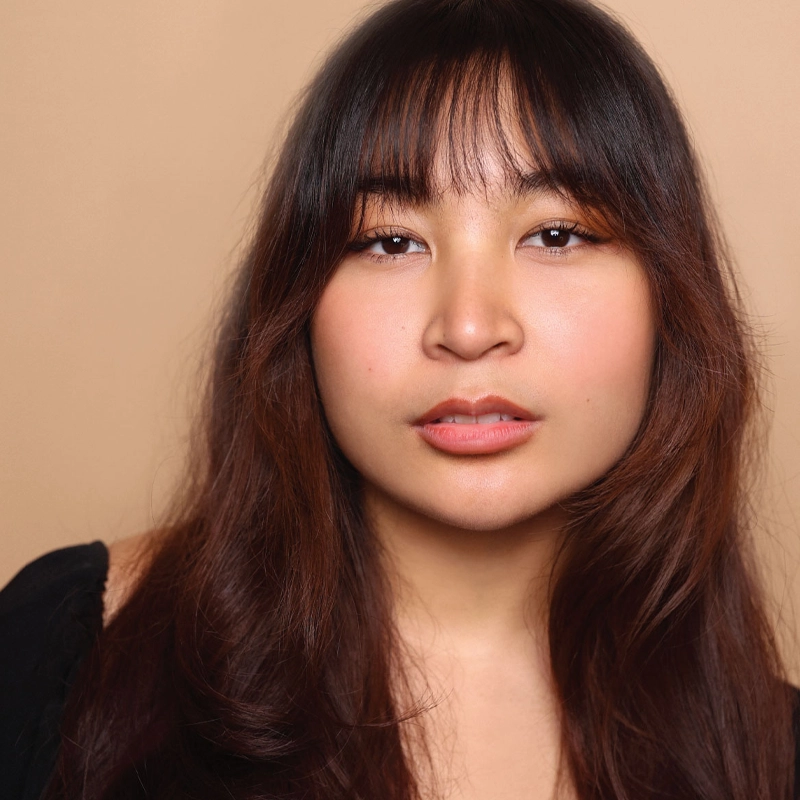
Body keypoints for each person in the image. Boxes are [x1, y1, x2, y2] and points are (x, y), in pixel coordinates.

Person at [1, 0, 797, 797]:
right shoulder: (68, 653)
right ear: (297, 305)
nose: (470, 325)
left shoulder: (768, 751)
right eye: (391, 240)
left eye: (556, 234)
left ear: (670, 297)